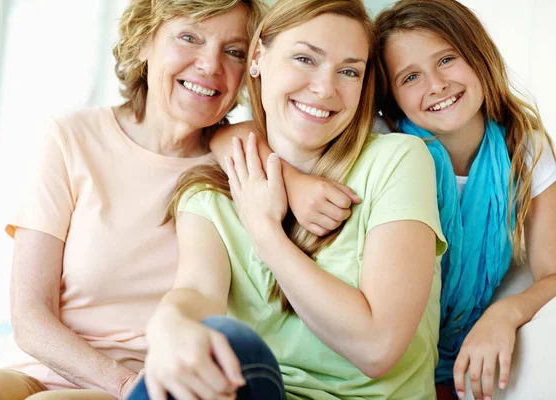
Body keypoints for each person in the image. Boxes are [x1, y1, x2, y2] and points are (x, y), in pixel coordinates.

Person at [128, 0, 447, 399]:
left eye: (349, 71)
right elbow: (196, 293)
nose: (325, 88)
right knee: (207, 346)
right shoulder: (208, 193)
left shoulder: (398, 161)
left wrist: (266, 235)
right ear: (258, 57)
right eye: (305, 59)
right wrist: (168, 326)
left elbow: (378, 347)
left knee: (229, 341)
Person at [0, 1, 266, 399]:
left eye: (234, 51)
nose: (210, 64)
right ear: (144, 44)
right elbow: (30, 317)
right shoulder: (70, 138)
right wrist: (121, 384)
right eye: (189, 37)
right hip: (38, 369)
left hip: (155, 380)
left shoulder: (240, 162)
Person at [373, 1, 556, 399]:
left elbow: (552, 274)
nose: (436, 84)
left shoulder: (525, 148)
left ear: (478, 55)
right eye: (410, 77)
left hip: (461, 353)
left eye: (447, 59)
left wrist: (505, 312)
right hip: (382, 357)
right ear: (391, 100)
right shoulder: (382, 146)